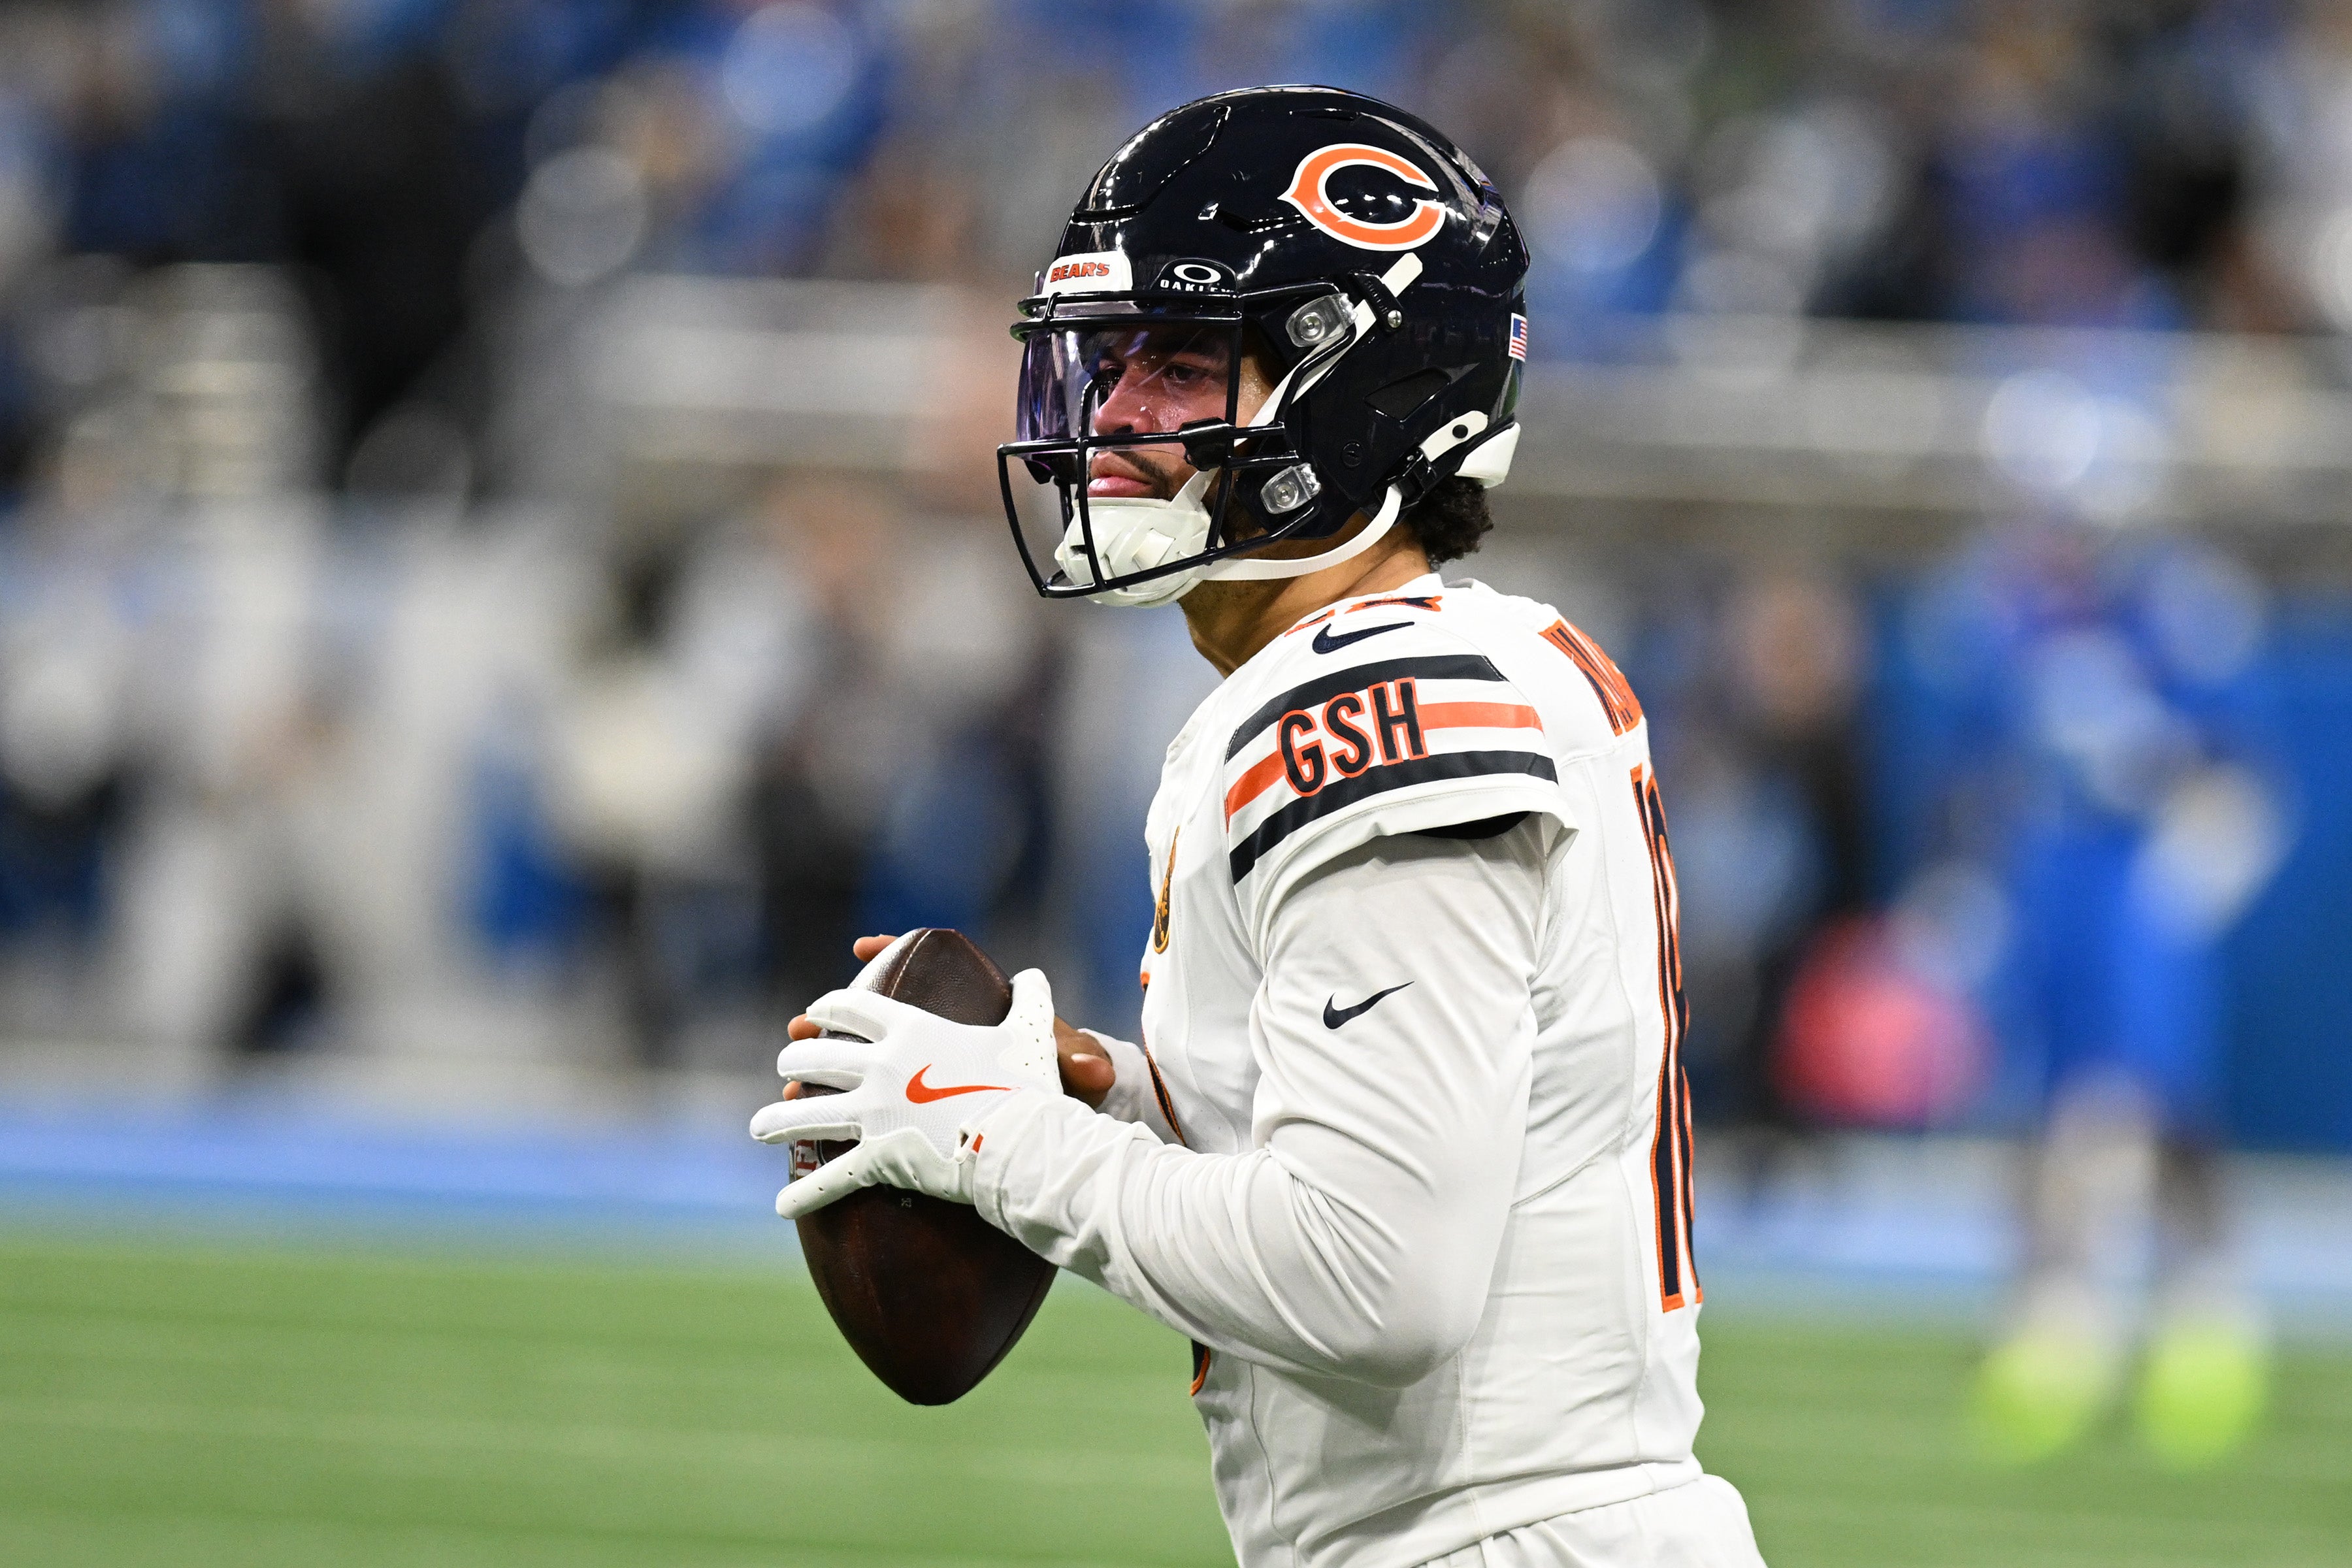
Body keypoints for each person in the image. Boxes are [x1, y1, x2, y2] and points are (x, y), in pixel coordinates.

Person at [751, 87, 1767, 1568]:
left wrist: (997, 1142)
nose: (1110, 417)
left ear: (1355, 385)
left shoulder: (1379, 697)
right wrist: (1110, 1090)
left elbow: (1375, 1280)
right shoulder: (1444, 662)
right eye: (1109, 363)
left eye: (1175, 361)